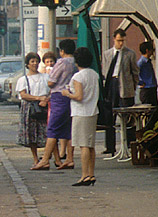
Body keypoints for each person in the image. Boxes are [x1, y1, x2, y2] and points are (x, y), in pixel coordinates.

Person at [62, 47, 100, 186]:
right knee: (90, 145)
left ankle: (84, 175)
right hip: (93, 111)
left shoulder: (78, 77)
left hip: (81, 112)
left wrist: (67, 94)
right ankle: (91, 173)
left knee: (83, 145)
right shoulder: (94, 74)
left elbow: (78, 96)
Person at [101, 28, 138, 157]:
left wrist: (133, 87)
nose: (121, 43)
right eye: (118, 41)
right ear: (114, 39)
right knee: (109, 116)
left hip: (125, 86)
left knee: (127, 116)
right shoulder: (107, 54)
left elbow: (135, 72)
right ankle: (110, 146)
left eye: (123, 41)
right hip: (111, 84)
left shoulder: (130, 54)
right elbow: (104, 71)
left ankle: (130, 144)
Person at [42, 39, 77, 170]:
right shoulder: (75, 62)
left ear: (62, 51)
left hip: (59, 96)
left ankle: (45, 159)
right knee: (68, 130)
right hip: (71, 96)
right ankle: (70, 159)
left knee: (52, 128)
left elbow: (51, 82)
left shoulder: (62, 62)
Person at [18, 52, 50, 169]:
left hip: (44, 107)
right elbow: (23, 95)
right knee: (32, 134)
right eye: (32, 61)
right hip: (30, 109)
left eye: (36, 61)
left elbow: (50, 90)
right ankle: (36, 158)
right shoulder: (23, 79)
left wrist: (45, 100)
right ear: (27, 64)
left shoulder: (45, 77)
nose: (35, 64)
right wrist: (37, 98)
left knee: (47, 133)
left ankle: (49, 157)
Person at [139, 41, 157, 107]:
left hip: (152, 88)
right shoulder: (142, 62)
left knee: (155, 111)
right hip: (146, 89)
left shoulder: (148, 61)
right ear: (147, 50)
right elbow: (135, 72)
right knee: (148, 110)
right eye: (152, 50)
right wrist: (140, 82)